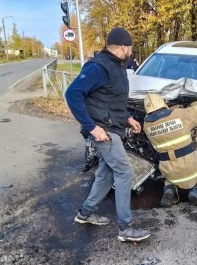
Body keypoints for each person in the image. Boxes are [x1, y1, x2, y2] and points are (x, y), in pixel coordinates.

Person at [65, 27, 150, 242]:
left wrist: (128, 117)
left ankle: (84, 213)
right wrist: (92, 128)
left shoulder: (116, 66)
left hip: (113, 127)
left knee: (107, 173)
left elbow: (113, 101)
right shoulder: (99, 67)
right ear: (123, 47)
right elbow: (73, 93)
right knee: (124, 172)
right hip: (104, 131)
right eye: (130, 47)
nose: (130, 51)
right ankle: (125, 228)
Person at [142, 93, 197, 207]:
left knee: (170, 178)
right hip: (190, 165)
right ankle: (195, 190)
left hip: (167, 168)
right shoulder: (180, 115)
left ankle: (169, 189)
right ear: (164, 103)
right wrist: (195, 100)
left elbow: (162, 120)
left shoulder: (146, 125)